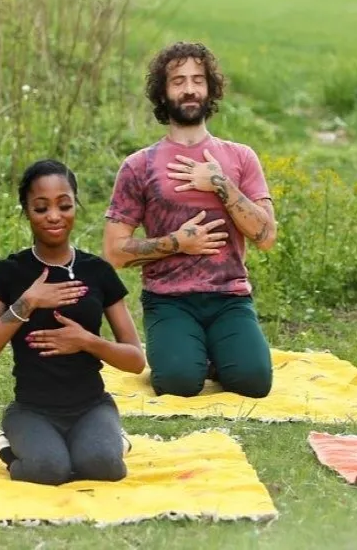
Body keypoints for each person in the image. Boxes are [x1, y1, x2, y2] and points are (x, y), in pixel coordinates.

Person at [102, 41, 277, 399]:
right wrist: (177, 243)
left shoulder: (240, 157)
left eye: (198, 79)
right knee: (178, 383)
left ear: (210, 88)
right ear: (163, 93)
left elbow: (266, 235)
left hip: (230, 296)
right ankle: (191, 352)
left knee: (254, 382)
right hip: (169, 299)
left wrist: (219, 184)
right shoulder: (139, 165)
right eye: (178, 80)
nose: (189, 88)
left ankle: (216, 352)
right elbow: (115, 253)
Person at [0, 159, 145, 486]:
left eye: (64, 205)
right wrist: (27, 302)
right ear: (26, 210)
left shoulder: (98, 272)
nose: (54, 216)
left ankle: (108, 440)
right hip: (32, 409)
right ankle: (8, 447)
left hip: (91, 407)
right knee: (49, 470)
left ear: (75, 205)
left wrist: (87, 342)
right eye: (41, 207)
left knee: (104, 466)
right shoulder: (9, 273)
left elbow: (136, 361)